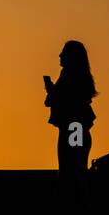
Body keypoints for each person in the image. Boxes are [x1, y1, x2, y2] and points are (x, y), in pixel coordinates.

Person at [43, 40, 97, 183]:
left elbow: (58, 100)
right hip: (74, 128)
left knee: (73, 174)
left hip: (75, 128)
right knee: (71, 173)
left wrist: (52, 91)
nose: (60, 55)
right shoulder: (69, 76)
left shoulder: (70, 78)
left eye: (64, 53)